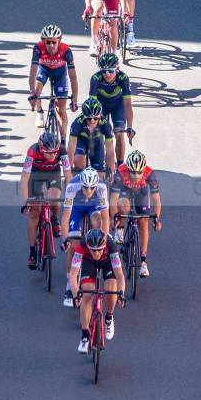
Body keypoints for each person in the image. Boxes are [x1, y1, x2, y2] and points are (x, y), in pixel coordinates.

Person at [68, 228, 126, 353]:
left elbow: (120, 275)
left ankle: (109, 317)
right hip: (89, 263)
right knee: (87, 294)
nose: (96, 253)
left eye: (99, 250)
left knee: (111, 288)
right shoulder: (82, 246)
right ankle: (84, 336)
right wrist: (75, 295)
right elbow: (73, 275)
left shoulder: (111, 245)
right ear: (88, 246)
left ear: (104, 246)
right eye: (93, 250)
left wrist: (121, 294)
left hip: (107, 263)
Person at [20, 131, 70, 269]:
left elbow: (68, 175)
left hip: (53, 174)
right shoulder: (32, 151)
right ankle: (32, 252)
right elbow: (24, 179)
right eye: (49, 153)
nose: (53, 155)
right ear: (41, 149)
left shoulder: (62, 151)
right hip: (35, 176)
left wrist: (71, 196)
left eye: (55, 152)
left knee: (54, 199)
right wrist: (26, 202)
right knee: (34, 213)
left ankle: (54, 218)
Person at [109, 149, 162, 278]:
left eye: (139, 172)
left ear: (144, 169)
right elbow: (113, 199)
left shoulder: (150, 173)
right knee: (124, 207)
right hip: (124, 191)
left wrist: (156, 219)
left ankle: (143, 261)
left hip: (141, 193)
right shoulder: (120, 172)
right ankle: (120, 229)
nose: (136, 175)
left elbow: (156, 199)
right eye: (133, 172)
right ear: (128, 168)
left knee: (143, 222)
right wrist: (113, 218)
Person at [61, 167, 110, 302]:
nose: (88, 191)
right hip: (76, 207)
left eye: (91, 188)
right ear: (81, 184)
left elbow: (106, 217)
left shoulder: (101, 187)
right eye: (85, 188)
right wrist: (65, 239)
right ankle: (69, 284)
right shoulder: (72, 186)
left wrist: (103, 239)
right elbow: (65, 217)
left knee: (97, 223)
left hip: (93, 207)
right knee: (73, 245)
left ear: (96, 185)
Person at [28, 24, 78, 136]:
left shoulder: (66, 51)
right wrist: (32, 92)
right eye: (48, 42)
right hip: (44, 70)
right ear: (43, 42)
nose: (51, 45)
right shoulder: (38, 48)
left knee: (61, 108)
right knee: (37, 91)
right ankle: (40, 111)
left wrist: (74, 99)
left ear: (59, 41)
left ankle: (63, 141)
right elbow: (33, 72)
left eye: (54, 42)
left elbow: (73, 77)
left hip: (60, 73)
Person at [89, 52, 134, 165]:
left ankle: (119, 165)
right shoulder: (95, 78)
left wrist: (129, 126)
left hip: (117, 105)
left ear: (117, 69)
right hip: (101, 106)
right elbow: (92, 105)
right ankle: (98, 162)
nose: (107, 74)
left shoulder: (123, 78)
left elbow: (127, 104)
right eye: (104, 71)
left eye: (111, 70)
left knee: (119, 134)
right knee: (98, 132)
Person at [67, 97, 116, 175]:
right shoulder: (77, 123)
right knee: (79, 164)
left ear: (100, 116)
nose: (92, 121)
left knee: (99, 174)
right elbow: (70, 151)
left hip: (97, 142)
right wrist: (68, 171)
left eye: (96, 118)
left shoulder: (105, 125)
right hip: (81, 141)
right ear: (84, 116)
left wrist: (111, 172)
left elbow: (110, 152)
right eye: (89, 118)